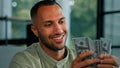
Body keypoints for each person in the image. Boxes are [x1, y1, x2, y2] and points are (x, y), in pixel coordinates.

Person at [9, 0, 119, 68]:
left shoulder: (83, 58)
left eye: (61, 21)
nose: (58, 30)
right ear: (35, 30)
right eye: (48, 24)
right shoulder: (23, 62)